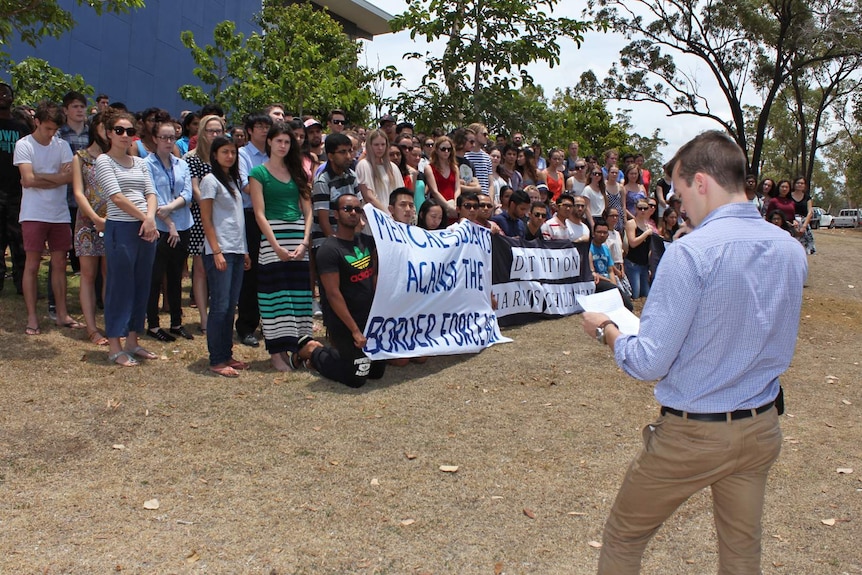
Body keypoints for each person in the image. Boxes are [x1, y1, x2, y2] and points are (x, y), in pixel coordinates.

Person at [581, 130, 806, 575]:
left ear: (701, 182)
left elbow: (648, 361)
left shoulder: (691, 254)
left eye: (681, 193)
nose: (679, 207)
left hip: (694, 435)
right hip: (760, 426)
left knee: (624, 537)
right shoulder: (791, 249)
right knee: (742, 553)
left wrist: (606, 329)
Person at [291, 194, 386, 387]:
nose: (353, 213)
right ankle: (312, 351)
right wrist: (355, 331)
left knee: (376, 373)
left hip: (368, 320)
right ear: (336, 214)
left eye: (357, 209)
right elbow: (333, 294)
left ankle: (340, 355)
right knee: (357, 378)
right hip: (344, 324)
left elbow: (377, 277)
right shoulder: (329, 250)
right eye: (347, 209)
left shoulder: (368, 243)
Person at [94, 109, 160, 366]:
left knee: (141, 285)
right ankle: (115, 345)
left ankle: (133, 340)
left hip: (146, 228)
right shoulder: (104, 161)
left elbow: (151, 193)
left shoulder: (142, 163)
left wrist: (150, 219)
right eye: (119, 131)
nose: (124, 136)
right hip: (121, 229)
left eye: (129, 131)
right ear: (109, 133)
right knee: (120, 287)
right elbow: (116, 197)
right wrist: (145, 218)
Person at [13, 101, 82, 335]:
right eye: (47, 128)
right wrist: (55, 177)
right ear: (37, 122)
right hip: (33, 213)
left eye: (54, 129)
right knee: (32, 265)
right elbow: (27, 180)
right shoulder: (24, 145)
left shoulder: (61, 145)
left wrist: (39, 176)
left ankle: (61, 314)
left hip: (59, 214)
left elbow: (69, 177)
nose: (51, 133)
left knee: (60, 264)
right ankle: (32, 317)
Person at [249, 123, 314, 372]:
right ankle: (276, 353)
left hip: (298, 238)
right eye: (279, 141)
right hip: (273, 239)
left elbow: (307, 211)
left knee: (298, 296)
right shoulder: (258, 173)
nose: (283, 146)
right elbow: (259, 213)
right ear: (270, 143)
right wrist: (274, 245)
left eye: (287, 142)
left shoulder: (297, 171)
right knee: (275, 298)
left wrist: (305, 241)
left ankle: (299, 348)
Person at [199, 136, 250, 377]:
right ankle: (216, 358)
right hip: (220, 250)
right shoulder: (210, 181)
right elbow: (206, 218)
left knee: (230, 306)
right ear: (215, 155)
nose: (230, 156)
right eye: (225, 152)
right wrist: (216, 250)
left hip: (237, 249)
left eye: (232, 152)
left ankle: (226, 352)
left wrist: (245, 249)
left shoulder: (232, 180)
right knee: (219, 305)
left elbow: (237, 220)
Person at [144, 119, 194, 342]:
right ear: (154, 139)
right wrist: (168, 222)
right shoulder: (146, 165)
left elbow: (188, 194)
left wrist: (172, 208)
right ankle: (153, 325)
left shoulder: (181, 164)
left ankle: (176, 322)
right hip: (159, 228)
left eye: (172, 137)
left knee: (175, 276)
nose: (168, 141)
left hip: (183, 225)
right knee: (155, 277)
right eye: (163, 137)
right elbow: (151, 197)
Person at [71, 113, 110, 345]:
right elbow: (78, 192)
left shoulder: (117, 157)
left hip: (114, 221)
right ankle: (92, 328)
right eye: (106, 127)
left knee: (110, 274)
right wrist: (95, 217)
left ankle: (111, 324)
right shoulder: (81, 157)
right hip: (87, 223)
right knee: (88, 275)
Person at [184, 114, 225, 334]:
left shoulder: (226, 156)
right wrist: (211, 206)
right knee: (200, 269)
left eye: (219, 131)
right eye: (211, 131)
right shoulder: (191, 158)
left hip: (224, 219)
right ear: (202, 132)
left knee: (220, 268)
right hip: (201, 218)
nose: (215, 135)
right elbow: (195, 189)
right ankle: (203, 317)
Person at [236, 112, 273, 348]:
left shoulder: (275, 153)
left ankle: (270, 325)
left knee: (270, 273)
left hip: (273, 217)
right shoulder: (242, 154)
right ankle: (246, 326)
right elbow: (246, 186)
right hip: (250, 218)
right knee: (250, 275)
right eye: (259, 126)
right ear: (249, 130)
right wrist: (273, 187)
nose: (263, 130)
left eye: (266, 126)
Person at [0, 82, 29, 295]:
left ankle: (22, 285)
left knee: (20, 243)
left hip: (18, 195)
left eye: (6, 92)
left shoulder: (21, 128)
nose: (2, 95)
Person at [589, 218, 634, 311]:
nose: (602, 235)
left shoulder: (606, 249)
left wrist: (614, 284)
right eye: (599, 232)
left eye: (605, 232)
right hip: (597, 281)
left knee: (628, 304)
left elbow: (610, 270)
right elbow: (591, 272)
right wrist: (610, 283)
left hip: (608, 281)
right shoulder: (589, 249)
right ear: (593, 233)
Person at [356, 129, 403, 210]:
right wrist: (387, 214)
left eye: (383, 144)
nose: (380, 148)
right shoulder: (364, 165)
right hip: (374, 216)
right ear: (370, 146)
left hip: (393, 216)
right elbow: (368, 197)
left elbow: (400, 193)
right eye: (376, 145)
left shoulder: (392, 167)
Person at [424, 136, 460, 222]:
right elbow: (434, 191)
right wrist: (447, 206)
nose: (446, 151)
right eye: (443, 149)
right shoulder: (429, 168)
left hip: (454, 207)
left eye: (449, 149)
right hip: (438, 207)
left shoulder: (454, 168)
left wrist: (455, 204)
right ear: (436, 150)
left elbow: (457, 188)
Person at [624, 199, 654, 299]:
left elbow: (650, 249)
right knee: (635, 295)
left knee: (646, 295)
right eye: (640, 208)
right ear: (636, 209)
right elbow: (632, 243)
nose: (642, 210)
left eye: (645, 208)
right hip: (633, 264)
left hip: (644, 265)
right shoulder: (631, 223)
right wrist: (646, 234)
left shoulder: (648, 226)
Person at [791, 176, 816, 255]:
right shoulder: (789, 196)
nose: (800, 185)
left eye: (802, 183)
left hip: (804, 223)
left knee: (804, 250)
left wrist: (804, 226)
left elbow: (810, 212)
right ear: (794, 184)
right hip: (792, 223)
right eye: (798, 183)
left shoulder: (807, 197)